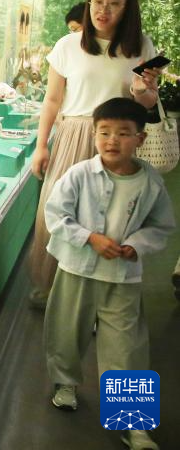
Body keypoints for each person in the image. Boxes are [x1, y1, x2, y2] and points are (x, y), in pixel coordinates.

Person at [43, 98, 174, 450]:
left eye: (123, 133)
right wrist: (89, 238)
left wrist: (136, 245)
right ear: (94, 134)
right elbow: (56, 214)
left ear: (140, 139)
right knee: (66, 330)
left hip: (122, 278)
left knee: (127, 347)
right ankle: (65, 381)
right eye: (104, 132)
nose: (112, 140)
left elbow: (161, 225)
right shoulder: (79, 174)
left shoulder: (150, 182)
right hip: (76, 269)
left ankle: (133, 422)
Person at [28, 0, 162, 307]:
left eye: (115, 3)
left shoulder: (142, 45)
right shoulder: (68, 45)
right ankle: (53, 289)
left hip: (120, 137)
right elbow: (53, 100)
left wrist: (141, 89)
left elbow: (148, 103)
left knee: (111, 217)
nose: (104, 10)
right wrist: (41, 145)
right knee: (57, 210)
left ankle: (99, 297)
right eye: (98, 2)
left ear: (128, 7)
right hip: (75, 134)